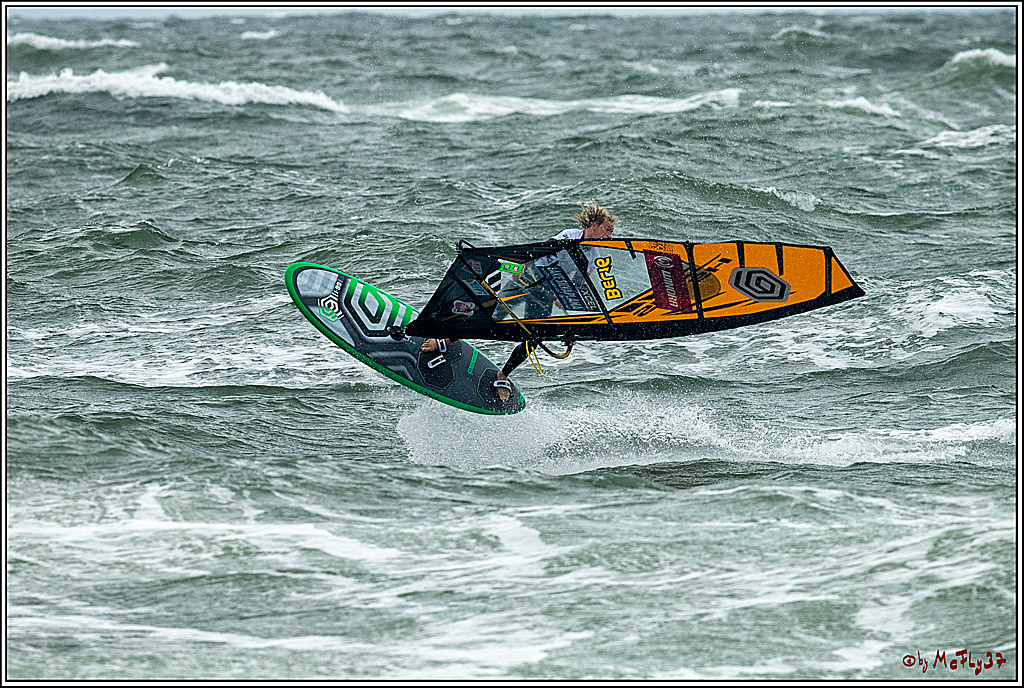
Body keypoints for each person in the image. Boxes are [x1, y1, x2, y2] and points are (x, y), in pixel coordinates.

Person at [421, 203, 618, 402]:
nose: (609, 236)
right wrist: (521, 265)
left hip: (545, 293)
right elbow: (539, 250)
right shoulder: (570, 235)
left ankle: (502, 375)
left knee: (533, 336)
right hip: (527, 279)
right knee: (492, 314)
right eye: (607, 230)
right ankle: (446, 339)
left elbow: (578, 281)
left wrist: (562, 298)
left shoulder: (594, 256)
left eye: (611, 232)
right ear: (593, 225)